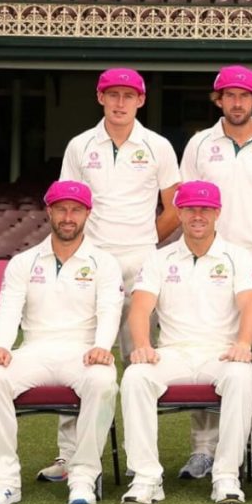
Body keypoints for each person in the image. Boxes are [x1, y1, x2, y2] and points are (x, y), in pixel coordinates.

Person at [42, 68, 181, 482]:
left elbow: (174, 207)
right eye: (112, 94)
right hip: (91, 263)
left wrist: (143, 242)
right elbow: (68, 203)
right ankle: (73, 456)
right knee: (83, 354)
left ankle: (149, 462)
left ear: (141, 100)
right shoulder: (79, 145)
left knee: (143, 359)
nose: (120, 103)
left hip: (141, 263)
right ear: (100, 98)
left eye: (128, 95)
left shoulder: (157, 146)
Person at [0, 181, 122, 504]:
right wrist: (1, 347)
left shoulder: (104, 262)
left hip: (82, 351)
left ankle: (83, 475)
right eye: (61, 209)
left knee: (102, 380)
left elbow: (110, 310)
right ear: (49, 211)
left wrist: (101, 346)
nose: (68, 216)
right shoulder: (23, 262)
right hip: (34, 350)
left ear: (87, 214)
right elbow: (9, 309)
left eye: (76, 210)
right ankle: (5, 482)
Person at [119, 181, 252, 504]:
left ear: (217, 212)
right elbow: (140, 308)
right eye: (191, 208)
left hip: (221, 351)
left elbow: (250, 304)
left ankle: (226, 476)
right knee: (135, 376)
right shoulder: (158, 259)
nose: (198, 215)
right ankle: (146, 478)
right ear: (179, 212)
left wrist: (243, 343)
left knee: (241, 375)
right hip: (173, 353)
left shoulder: (237, 256)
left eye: (205, 208)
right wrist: (142, 345)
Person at [179, 65, 252, 479]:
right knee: (206, 346)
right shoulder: (199, 144)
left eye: (245, 95)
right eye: (229, 95)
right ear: (218, 99)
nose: (237, 102)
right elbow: (187, 202)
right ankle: (205, 448)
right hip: (210, 255)